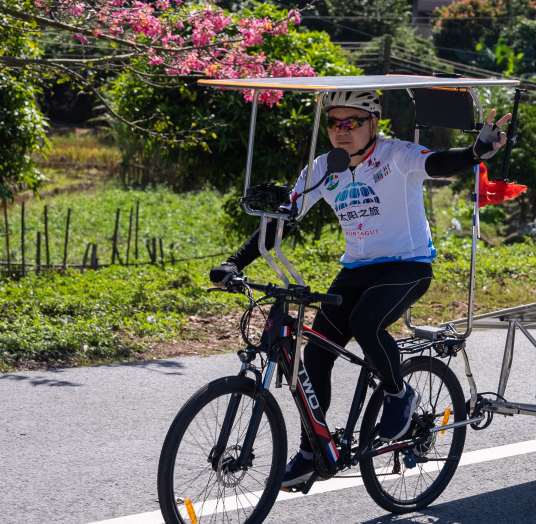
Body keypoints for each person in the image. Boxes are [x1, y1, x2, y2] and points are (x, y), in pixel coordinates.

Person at [212, 88, 509, 489]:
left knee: (365, 321)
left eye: (352, 122)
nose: (341, 131)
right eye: (334, 123)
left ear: (374, 123)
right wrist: (234, 262)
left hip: (407, 266)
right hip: (356, 269)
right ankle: (310, 452)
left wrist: (476, 151)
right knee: (315, 352)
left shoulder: (396, 155)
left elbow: (438, 163)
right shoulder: (322, 168)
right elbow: (282, 220)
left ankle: (398, 393)